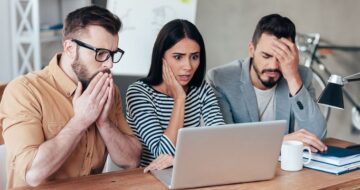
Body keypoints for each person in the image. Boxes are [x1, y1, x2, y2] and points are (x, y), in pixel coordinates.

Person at [0, 6, 141, 188]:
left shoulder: (107, 90)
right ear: (70, 48)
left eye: (113, 54)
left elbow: (131, 161)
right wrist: (81, 120)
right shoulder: (24, 91)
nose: (110, 63)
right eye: (101, 53)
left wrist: (104, 123)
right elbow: (33, 174)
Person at [207, 14, 327, 152]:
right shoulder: (220, 79)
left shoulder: (299, 75)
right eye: (266, 56)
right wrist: (282, 142)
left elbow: (318, 136)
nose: (274, 65)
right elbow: (224, 143)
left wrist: (293, 77)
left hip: (283, 169)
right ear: (251, 50)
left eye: (281, 57)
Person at [126, 19, 225, 170]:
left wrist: (183, 161)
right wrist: (179, 99)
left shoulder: (202, 89)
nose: (188, 67)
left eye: (194, 57)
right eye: (178, 57)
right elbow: (162, 155)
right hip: (150, 178)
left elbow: (220, 142)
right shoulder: (139, 93)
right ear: (161, 58)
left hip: (189, 172)